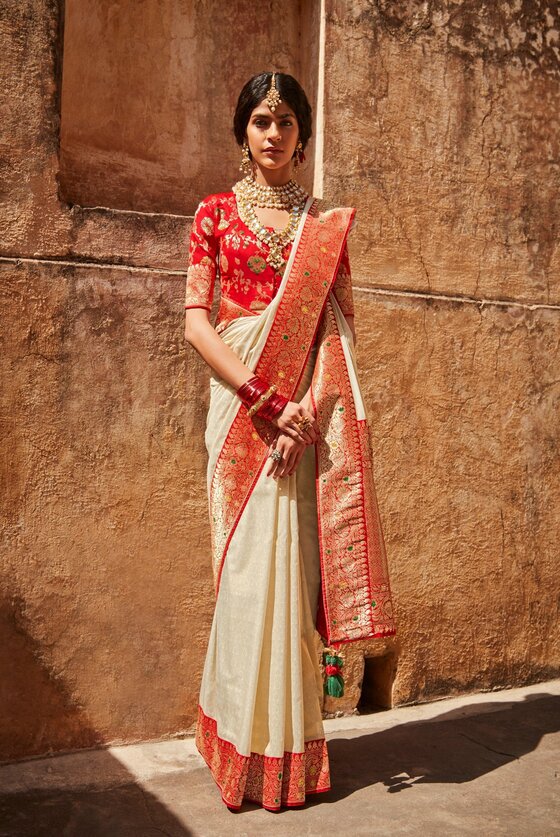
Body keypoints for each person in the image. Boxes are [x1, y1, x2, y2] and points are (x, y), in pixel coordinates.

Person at [184, 71, 396, 812]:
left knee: (291, 579)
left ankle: (288, 755)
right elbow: (197, 322)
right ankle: (240, 745)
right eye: (260, 120)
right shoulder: (214, 214)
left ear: (303, 136)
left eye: (285, 121)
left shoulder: (324, 229)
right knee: (246, 582)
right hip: (243, 418)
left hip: (299, 429)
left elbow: (337, 336)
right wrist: (262, 399)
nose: (272, 133)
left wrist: (304, 412)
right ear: (243, 131)